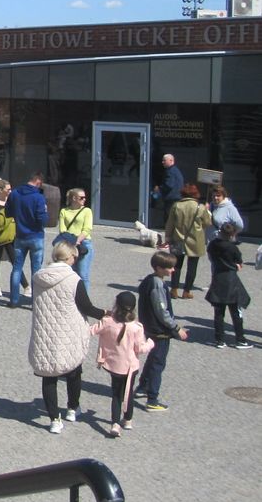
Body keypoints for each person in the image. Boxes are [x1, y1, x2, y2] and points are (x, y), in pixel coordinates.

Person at [27, 241, 106, 434]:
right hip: (66, 330)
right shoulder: (73, 279)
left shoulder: (38, 277)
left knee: (48, 376)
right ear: (70, 257)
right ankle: (72, 408)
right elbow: (86, 306)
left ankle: (54, 419)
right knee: (73, 369)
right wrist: (106, 313)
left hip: (45, 330)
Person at [89, 291, 154, 437]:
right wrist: (150, 343)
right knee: (128, 392)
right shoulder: (137, 327)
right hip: (131, 366)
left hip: (114, 365)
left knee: (116, 394)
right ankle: (128, 419)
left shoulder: (108, 322)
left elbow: (91, 331)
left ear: (116, 305)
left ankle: (115, 423)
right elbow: (140, 348)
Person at [135, 251, 189, 411]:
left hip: (150, 327)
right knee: (158, 363)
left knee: (153, 359)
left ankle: (142, 387)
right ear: (159, 268)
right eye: (170, 268)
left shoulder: (148, 280)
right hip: (159, 330)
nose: (173, 270)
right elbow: (162, 312)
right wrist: (176, 328)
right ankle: (152, 399)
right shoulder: (157, 285)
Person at [206, 222, 253, 349]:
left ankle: (219, 340)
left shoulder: (212, 244)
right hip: (231, 280)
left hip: (217, 277)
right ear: (232, 234)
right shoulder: (232, 248)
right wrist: (236, 265)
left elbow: (210, 257)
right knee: (236, 311)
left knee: (219, 312)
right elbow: (239, 262)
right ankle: (240, 339)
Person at [6, 172, 48, 307]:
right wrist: (45, 212)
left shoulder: (15, 194)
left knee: (17, 268)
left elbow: (8, 213)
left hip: (20, 235)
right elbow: (42, 220)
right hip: (36, 236)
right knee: (36, 270)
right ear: (38, 182)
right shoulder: (38, 197)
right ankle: (35, 302)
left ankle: (13, 300)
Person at [164, 183, 212, 299]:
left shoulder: (176, 206)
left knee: (176, 265)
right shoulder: (200, 207)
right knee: (192, 267)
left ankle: (174, 290)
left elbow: (170, 224)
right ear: (196, 194)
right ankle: (187, 291)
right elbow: (208, 223)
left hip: (178, 239)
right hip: (195, 240)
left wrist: (168, 237)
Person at [58, 188, 95, 289]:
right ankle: (72, 298)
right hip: (69, 243)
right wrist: (72, 241)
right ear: (74, 198)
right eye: (81, 198)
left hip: (83, 243)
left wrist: (78, 241)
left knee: (83, 275)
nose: (84, 199)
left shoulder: (87, 211)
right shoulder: (64, 211)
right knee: (71, 273)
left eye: (85, 197)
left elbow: (87, 229)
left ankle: (84, 301)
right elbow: (62, 230)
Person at [156, 153, 184, 221]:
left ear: (171, 161)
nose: (162, 162)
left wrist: (159, 188)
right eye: (162, 160)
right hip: (175, 198)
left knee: (169, 218)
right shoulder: (175, 170)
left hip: (172, 199)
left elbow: (169, 185)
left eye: (164, 160)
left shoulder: (170, 171)